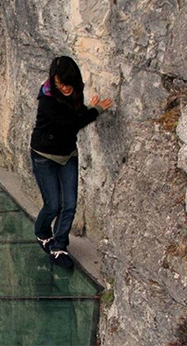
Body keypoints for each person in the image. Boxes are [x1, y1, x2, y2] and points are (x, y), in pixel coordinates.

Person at [30, 56, 113, 268]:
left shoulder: (75, 90)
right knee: (53, 204)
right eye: (60, 84)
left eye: (68, 83)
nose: (65, 88)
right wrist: (95, 111)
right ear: (54, 82)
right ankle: (41, 231)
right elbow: (70, 123)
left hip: (68, 154)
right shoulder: (47, 99)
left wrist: (86, 110)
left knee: (70, 204)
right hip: (44, 155)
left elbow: (75, 116)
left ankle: (58, 247)